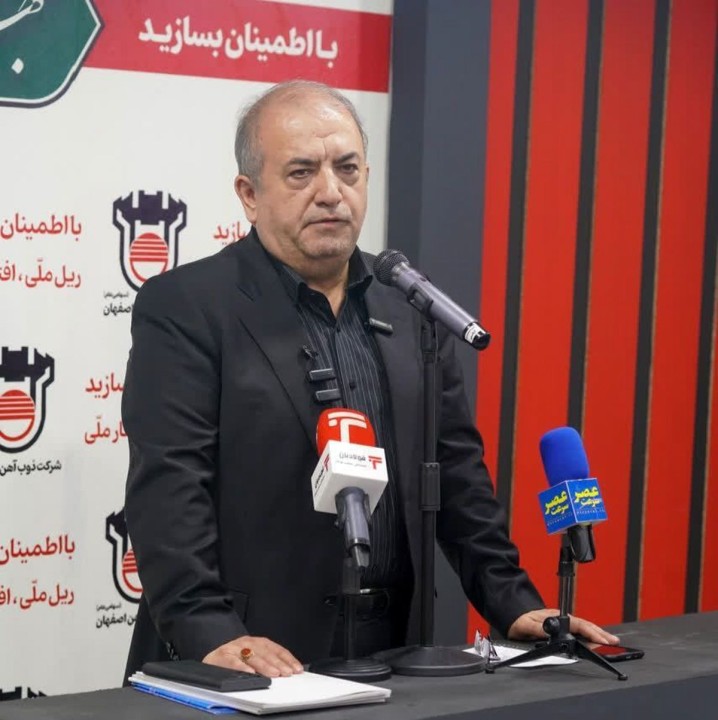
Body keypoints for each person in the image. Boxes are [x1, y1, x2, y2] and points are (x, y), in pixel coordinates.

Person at [122, 80, 618, 681]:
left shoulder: (411, 305)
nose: (331, 192)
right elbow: (170, 491)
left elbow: (456, 472)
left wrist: (513, 602)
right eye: (301, 172)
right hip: (250, 655)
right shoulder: (187, 306)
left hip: (393, 653)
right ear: (249, 195)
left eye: (347, 168)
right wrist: (212, 633)